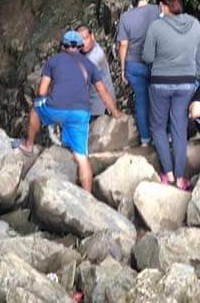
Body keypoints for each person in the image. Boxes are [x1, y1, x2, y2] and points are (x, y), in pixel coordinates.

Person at [15, 30, 122, 191]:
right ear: (80, 47)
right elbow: (103, 92)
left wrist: (45, 99)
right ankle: (87, 197)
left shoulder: (53, 61)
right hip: (81, 113)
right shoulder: (90, 65)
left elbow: (42, 91)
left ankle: (29, 145)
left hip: (56, 107)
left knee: (36, 109)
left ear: (63, 47)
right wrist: (115, 113)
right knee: (82, 157)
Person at [142, 0, 200, 190]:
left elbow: (148, 57)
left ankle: (167, 173)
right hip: (186, 83)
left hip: (160, 83)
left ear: (162, 5)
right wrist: (191, 75)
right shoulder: (195, 25)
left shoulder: (156, 27)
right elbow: (199, 59)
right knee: (179, 128)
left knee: (158, 127)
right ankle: (180, 178)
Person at [116, 0, 160, 145]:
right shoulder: (158, 11)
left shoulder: (126, 17)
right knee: (159, 100)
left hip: (134, 65)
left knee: (141, 101)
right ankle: (161, 137)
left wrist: (122, 69)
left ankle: (145, 139)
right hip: (157, 64)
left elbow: (123, 45)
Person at [76, 24, 120, 120]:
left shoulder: (95, 58)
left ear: (92, 36)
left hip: (99, 106)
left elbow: (101, 90)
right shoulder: (91, 46)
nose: (83, 43)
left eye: (85, 38)